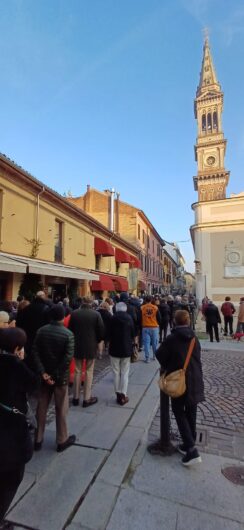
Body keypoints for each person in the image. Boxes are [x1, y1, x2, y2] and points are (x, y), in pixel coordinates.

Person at [155, 310, 205, 466]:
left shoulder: (172, 338)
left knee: (178, 411)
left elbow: (160, 355)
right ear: (188, 321)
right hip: (195, 379)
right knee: (191, 410)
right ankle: (188, 442)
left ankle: (191, 450)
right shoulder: (194, 338)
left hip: (180, 381)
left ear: (175, 322)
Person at [0, 328, 38, 528]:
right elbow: (33, 384)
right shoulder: (15, 366)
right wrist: (20, 360)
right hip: (10, 438)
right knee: (10, 481)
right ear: (17, 349)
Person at [31, 305, 75, 452]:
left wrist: (43, 373)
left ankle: (37, 439)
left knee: (41, 406)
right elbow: (67, 358)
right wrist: (55, 375)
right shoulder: (68, 334)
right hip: (60, 377)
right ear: (63, 317)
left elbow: (35, 352)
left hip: (44, 377)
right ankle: (62, 440)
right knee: (61, 407)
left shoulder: (41, 331)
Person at [69, 296, 104, 407]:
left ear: (82, 302)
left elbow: (70, 330)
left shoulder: (74, 313)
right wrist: (98, 344)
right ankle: (86, 398)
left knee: (77, 371)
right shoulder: (96, 314)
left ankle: (75, 397)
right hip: (90, 346)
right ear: (91, 303)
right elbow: (101, 332)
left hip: (77, 345)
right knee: (89, 371)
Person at [109, 302, 135, 405]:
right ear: (125, 309)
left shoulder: (112, 318)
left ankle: (118, 394)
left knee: (115, 372)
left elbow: (108, 333)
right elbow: (133, 333)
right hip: (126, 348)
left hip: (114, 348)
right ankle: (123, 394)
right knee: (125, 373)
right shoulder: (129, 318)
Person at [16, 291, 51, 364]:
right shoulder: (47, 309)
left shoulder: (26, 308)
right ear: (43, 297)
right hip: (40, 339)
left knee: (28, 360)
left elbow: (19, 323)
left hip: (27, 339)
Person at [140, 295, 161, 362]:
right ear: (151, 300)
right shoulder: (155, 308)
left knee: (146, 343)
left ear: (145, 300)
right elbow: (159, 318)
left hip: (145, 327)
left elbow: (139, 318)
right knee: (154, 343)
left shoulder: (142, 308)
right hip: (154, 327)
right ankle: (155, 356)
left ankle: (147, 358)